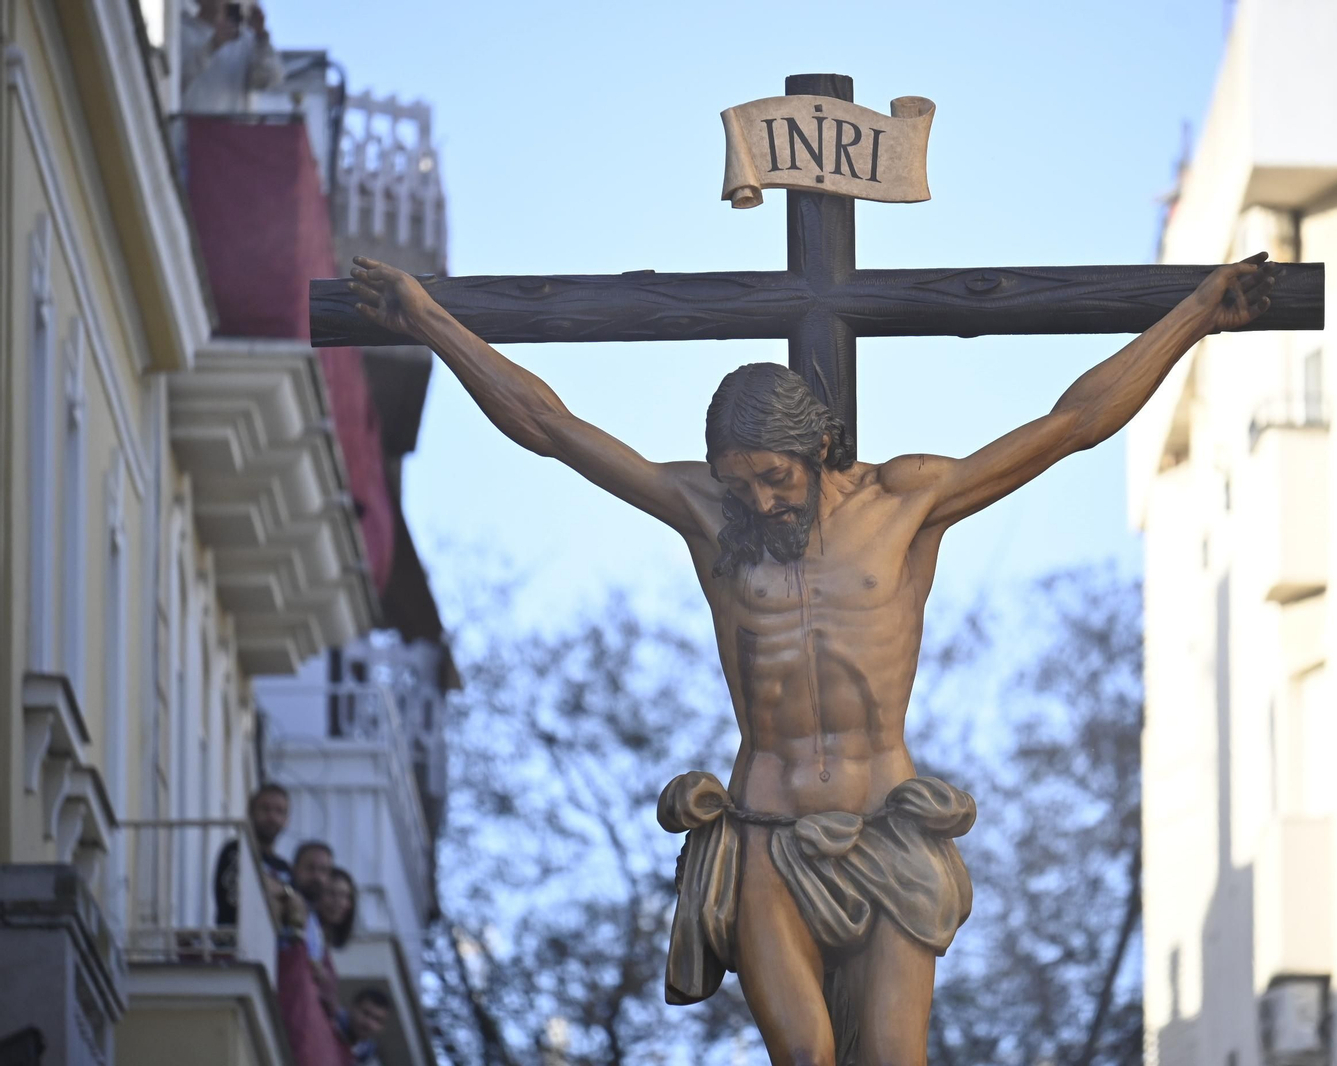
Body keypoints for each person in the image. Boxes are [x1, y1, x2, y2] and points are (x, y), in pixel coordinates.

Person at [346, 250, 1279, 1064]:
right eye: (735, 480)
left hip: (885, 826)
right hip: (762, 830)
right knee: (801, 1053)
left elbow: (1071, 422)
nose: (754, 500)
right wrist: (430, 320)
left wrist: (1195, 314)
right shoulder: (707, 517)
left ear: (819, 449)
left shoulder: (906, 504)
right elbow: (551, 428)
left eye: (773, 477)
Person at [179, 0, 283, 114]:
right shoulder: (182, 30)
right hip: (188, 127)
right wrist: (213, 45)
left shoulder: (245, 40)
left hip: (231, 129)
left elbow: (268, 80)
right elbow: (175, 79)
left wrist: (261, 37)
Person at [214, 783, 294, 925]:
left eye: (279, 811)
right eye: (265, 809)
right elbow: (233, 903)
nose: (272, 816)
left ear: (286, 820)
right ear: (250, 813)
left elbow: (293, 913)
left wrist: (283, 891)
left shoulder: (284, 868)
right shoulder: (236, 851)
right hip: (235, 943)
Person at [290, 841, 341, 1018]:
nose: (317, 877)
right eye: (310, 868)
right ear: (295, 869)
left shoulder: (315, 923)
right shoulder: (286, 903)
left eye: (323, 871)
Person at [345, 987, 392, 1064]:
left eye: (377, 1020)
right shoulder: (329, 1026)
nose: (369, 1023)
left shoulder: (369, 1059)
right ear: (352, 1008)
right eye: (366, 1013)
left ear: (382, 1027)